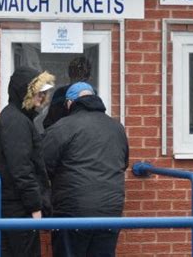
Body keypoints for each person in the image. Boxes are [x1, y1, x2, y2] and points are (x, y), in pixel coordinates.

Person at [42, 82, 129, 257]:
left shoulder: (62, 127)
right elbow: (123, 162)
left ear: (69, 103)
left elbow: (43, 165)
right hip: (110, 212)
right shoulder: (117, 128)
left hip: (72, 212)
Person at [0, 66, 55, 257]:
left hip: (15, 206)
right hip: (19, 208)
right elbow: (22, 169)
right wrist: (35, 206)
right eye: (38, 93)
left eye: (44, 94)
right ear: (25, 93)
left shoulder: (16, 118)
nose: (42, 99)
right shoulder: (16, 121)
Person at [42, 56, 92, 129]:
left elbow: (49, 123)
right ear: (89, 76)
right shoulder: (92, 94)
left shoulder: (60, 92)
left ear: (69, 74)